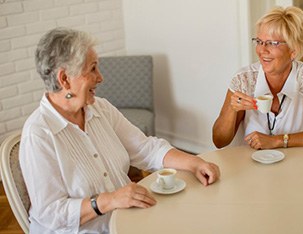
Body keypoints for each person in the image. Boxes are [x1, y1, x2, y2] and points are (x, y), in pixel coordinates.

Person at [19, 27, 220, 234]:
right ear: (64, 79)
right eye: (93, 69)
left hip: (126, 220)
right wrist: (108, 201)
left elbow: (145, 149)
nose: (101, 77)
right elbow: (50, 213)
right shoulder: (38, 134)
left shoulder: (100, 108)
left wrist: (194, 162)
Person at [212, 6, 303, 150]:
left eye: (272, 43)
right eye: (259, 41)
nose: (262, 50)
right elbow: (219, 141)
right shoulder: (244, 79)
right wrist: (232, 109)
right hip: (250, 165)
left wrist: (278, 141)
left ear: (293, 51)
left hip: (294, 165)